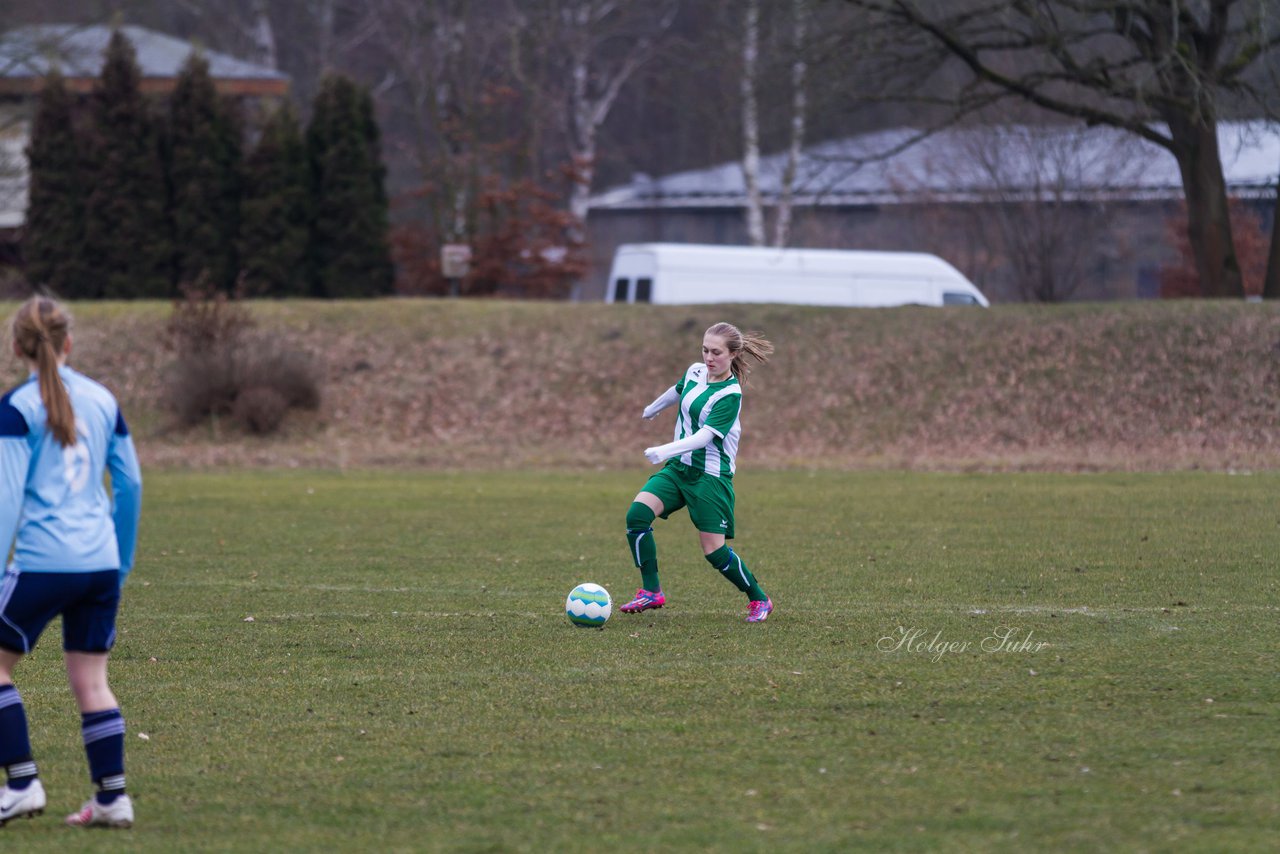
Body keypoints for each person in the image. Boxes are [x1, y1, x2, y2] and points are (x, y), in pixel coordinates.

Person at [0, 296, 142, 830]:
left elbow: (6, 499)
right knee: (92, 683)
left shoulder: (16, 406)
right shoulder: (104, 399)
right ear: (68, 343)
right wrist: (120, 560)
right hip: (100, 563)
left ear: (17, 347)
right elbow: (130, 483)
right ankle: (112, 800)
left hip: (44, 562)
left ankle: (20, 784)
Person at [621, 321, 775, 622]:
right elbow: (678, 390)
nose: (709, 357)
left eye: (716, 352)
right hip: (680, 468)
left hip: (711, 478)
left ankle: (759, 599)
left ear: (732, 354)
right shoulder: (695, 371)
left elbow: (705, 437)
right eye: (705, 350)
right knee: (637, 516)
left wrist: (664, 450)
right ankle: (651, 591)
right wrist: (653, 407)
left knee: (714, 552)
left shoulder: (730, 395)